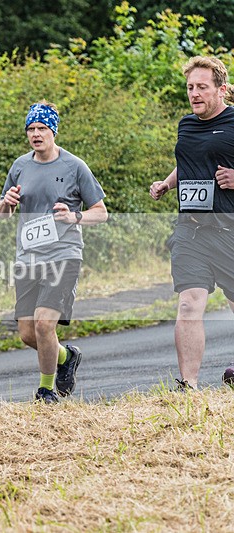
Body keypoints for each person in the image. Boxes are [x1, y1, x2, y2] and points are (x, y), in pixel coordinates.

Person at [0, 101, 108, 404]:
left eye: (41, 128)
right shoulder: (20, 165)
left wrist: (75, 217)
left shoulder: (74, 166)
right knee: (28, 334)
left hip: (64, 254)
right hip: (27, 257)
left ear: (53, 131)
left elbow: (101, 212)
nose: (35, 134)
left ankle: (46, 390)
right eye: (31, 129)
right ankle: (66, 357)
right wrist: (6, 202)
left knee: (45, 324)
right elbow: (2, 212)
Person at [149, 56, 234, 391]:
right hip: (192, 229)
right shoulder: (186, 124)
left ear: (222, 89)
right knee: (189, 302)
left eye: (202, 87)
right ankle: (189, 386)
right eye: (190, 87)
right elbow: (186, 162)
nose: (194, 93)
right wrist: (167, 184)